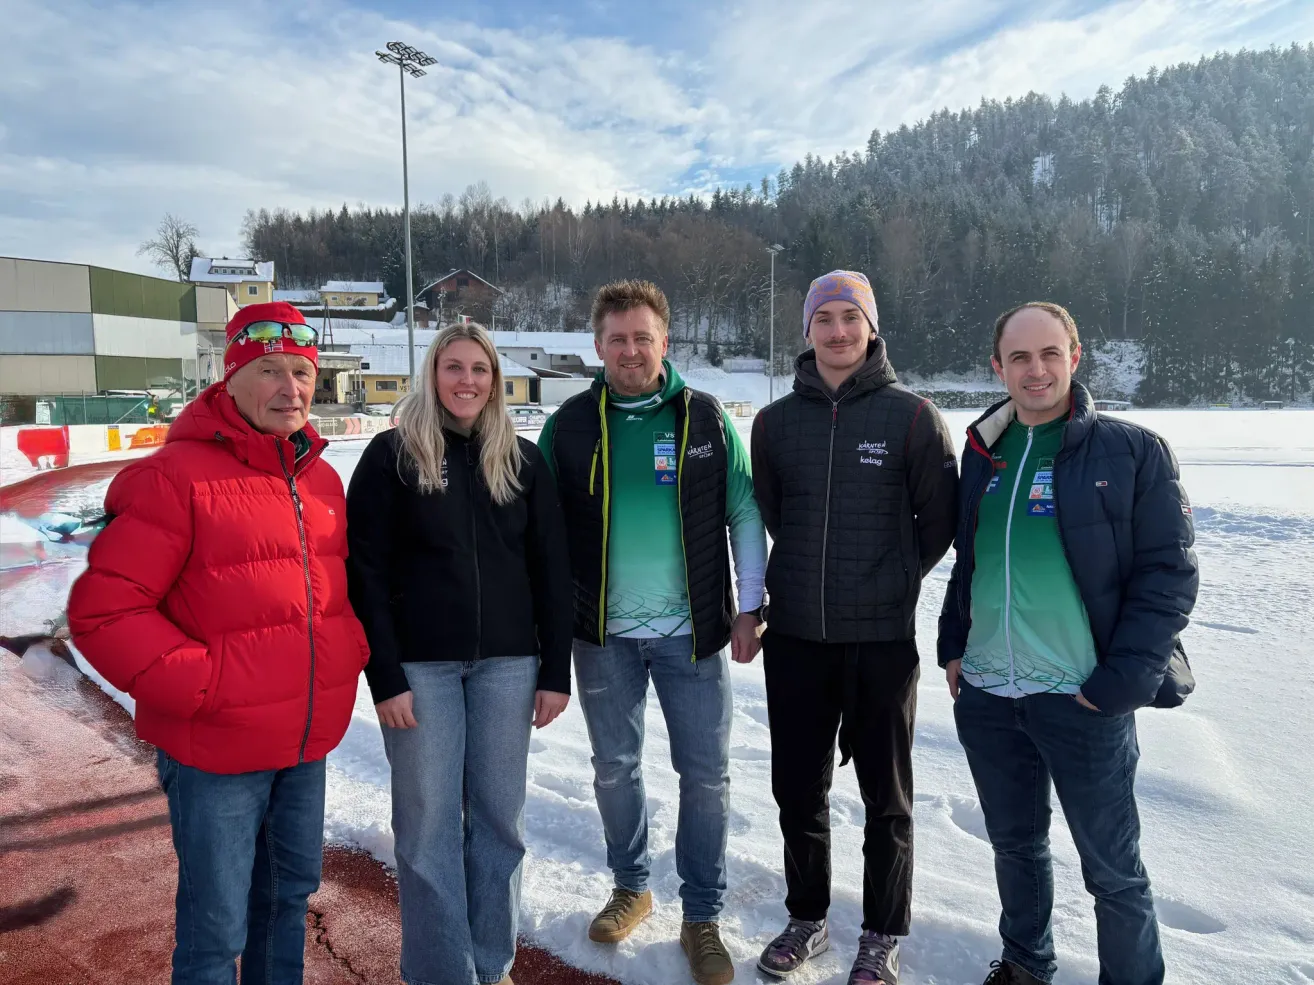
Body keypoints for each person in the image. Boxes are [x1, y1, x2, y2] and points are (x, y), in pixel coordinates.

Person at [67, 301, 368, 985]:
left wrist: (347, 648)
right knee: (215, 932)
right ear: (228, 378)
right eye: (269, 371)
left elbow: (329, 594)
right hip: (216, 754)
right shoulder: (174, 476)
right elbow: (103, 612)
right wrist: (209, 684)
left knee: (285, 905)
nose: (290, 388)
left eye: (301, 371)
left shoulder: (318, 478)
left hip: (302, 746)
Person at [939, 302, 1198, 985]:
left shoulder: (1131, 450)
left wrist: (1118, 683)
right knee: (1015, 845)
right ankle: (1025, 964)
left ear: (1075, 357)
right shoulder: (984, 452)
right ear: (997, 366)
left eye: (1050, 353)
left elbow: (1168, 575)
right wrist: (952, 646)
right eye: (1019, 357)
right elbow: (969, 561)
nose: (1036, 369)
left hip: (1082, 699)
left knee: (1113, 869)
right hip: (991, 695)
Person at [537, 280, 767, 985]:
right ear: (597, 345)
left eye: (643, 337)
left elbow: (745, 510)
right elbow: (540, 533)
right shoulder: (570, 425)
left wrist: (748, 605)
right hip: (601, 634)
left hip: (691, 634)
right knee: (614, 767)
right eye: (617, 338)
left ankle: (701, 913)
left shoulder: (705, 418)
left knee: (706, 776)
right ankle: (632, 886)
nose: (631, 349)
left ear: (665, 342)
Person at [346, 322, 574, 985]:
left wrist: (554, 670)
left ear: (496, 379)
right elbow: (363, 571)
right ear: (432, 372)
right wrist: (384, 674)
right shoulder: (392, 456)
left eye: (479, 368)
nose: (466, 379)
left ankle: (491, 963)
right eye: (453, 366)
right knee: (426, 829)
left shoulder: (523, 461)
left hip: (509, 666)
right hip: (420, 670)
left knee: (500, 821)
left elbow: (552, 571)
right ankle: (443, 973)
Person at [750, 270, 959, 984]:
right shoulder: (775, 424)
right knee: (797, 789)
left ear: (871, 327)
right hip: (798, 639)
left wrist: (891, 578)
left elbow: (939, 523)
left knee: (887, 799)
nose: (838, 331)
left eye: (851, 317)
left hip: (881, 642)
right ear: (806, 330)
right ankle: (806, 918)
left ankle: (880, 932)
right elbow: (778, 513)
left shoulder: (912, 417)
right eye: (824, 318)